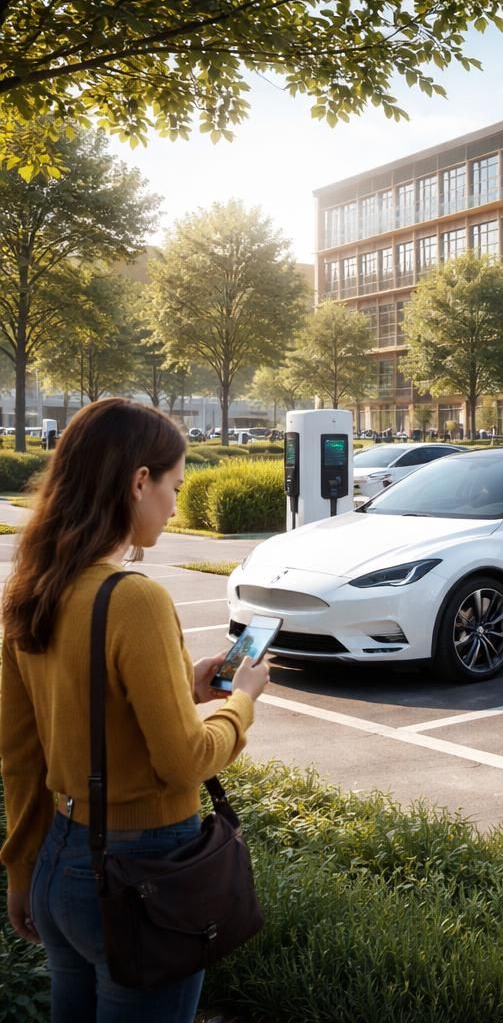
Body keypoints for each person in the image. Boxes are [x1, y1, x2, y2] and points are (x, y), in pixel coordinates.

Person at [1, 398, 271, 1021]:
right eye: (174, 486)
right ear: (138, 481)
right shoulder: (135, 600)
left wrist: (22, 868)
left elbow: (21, 751)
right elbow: (182, 762)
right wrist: (243, 703)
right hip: (145, 871)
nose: (176, 503)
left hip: (59, 866)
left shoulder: (35, 588)